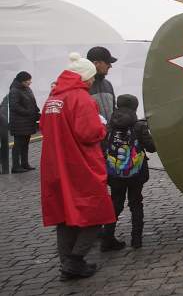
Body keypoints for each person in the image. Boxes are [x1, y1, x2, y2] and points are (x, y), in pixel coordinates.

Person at [41, 53, 116, 280]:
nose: (92, 81)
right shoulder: (81, 98)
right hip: (79, 165)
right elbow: (89, 133)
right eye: (91, 78)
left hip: (56, 165)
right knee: (95, 212)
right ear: (83, 77)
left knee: (64, 215)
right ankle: (75, 261)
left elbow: (44, 126)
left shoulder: (53, 98)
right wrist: (102, 127)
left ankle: (67, 263)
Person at [99, 94, 156, 250]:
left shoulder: (109, 125)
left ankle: (107, 240)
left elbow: (102, 148)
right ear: (135, 107)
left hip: (115, 173)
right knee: (136, 203)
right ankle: (136, 240)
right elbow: (152, 147)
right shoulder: (139, 126)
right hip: (136, 173)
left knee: (115, 204)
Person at [8, 71, 40, 173]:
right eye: (28, 81)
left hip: (27, 121)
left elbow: (32, 101)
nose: (30, 82)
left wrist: (36, 110)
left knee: (25, 144)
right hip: (19, 123)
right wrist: (28, 112)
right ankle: (15, 167)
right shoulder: (14, 90)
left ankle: (25, 164)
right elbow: (14, 106)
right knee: (18, 145)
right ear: (22, 81)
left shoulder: (27, 88)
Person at [86, 46, 117, 125]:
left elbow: (113, 110)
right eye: (107, 63)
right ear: (96, 63)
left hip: (108, 132)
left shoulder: (108, 84)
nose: (110, 66)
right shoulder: (81, 86)